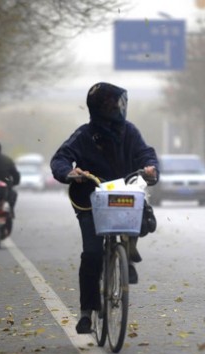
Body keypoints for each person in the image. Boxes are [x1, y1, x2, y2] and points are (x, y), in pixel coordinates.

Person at [50, 82, 159, 334]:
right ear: (100, 108)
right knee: (92, 254)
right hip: (89, 201)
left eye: (119, 104)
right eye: (112, 105)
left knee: (142, 215)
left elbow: (146, 155)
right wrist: (69, 172)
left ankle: (128, 251)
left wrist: (151, 168)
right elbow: (60, 158)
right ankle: (87, 312)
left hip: (121, 195)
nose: (118, 109)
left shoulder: (129, 132)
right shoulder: (84, 135)